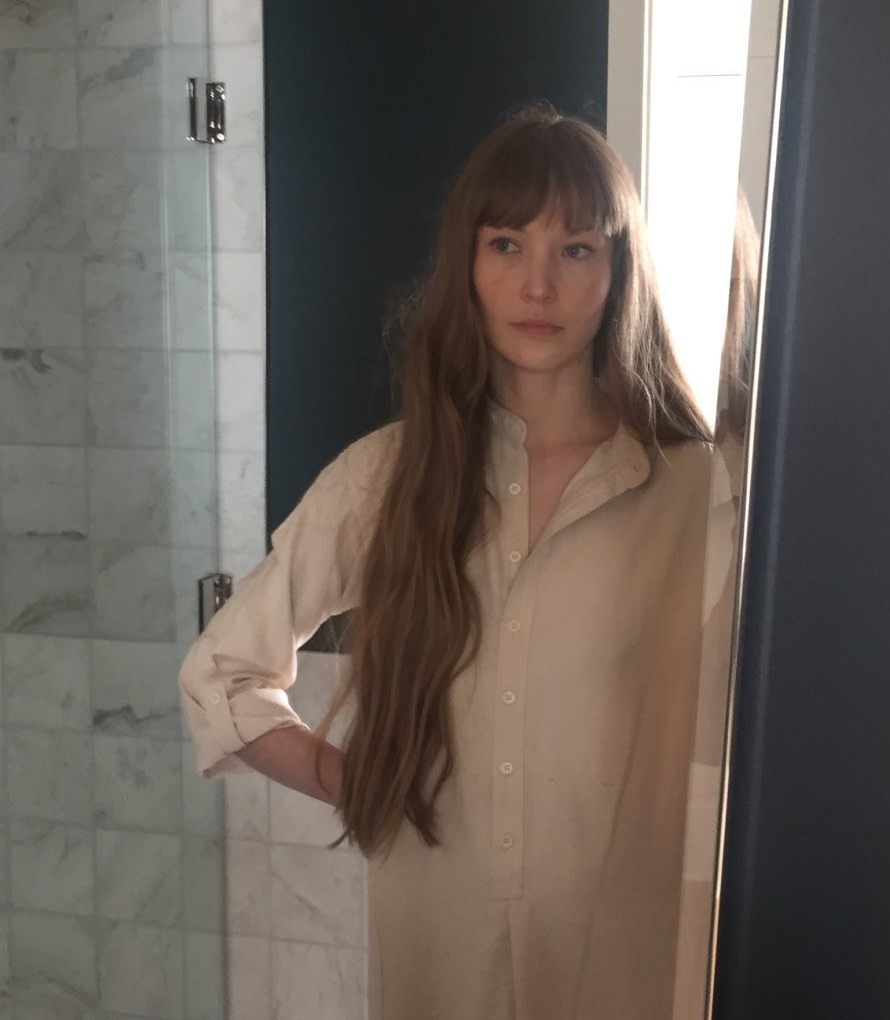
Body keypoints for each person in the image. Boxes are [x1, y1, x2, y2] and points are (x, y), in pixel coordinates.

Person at [179, 105, 743, 1020]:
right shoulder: (387, 478)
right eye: (507, 244)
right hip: (436, 946)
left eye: (577, 249)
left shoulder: (698, 493)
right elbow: (220, 672)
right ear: (468, 267)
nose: (538, 287)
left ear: (619, 271)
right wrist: (350, 778)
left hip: (630, 954)